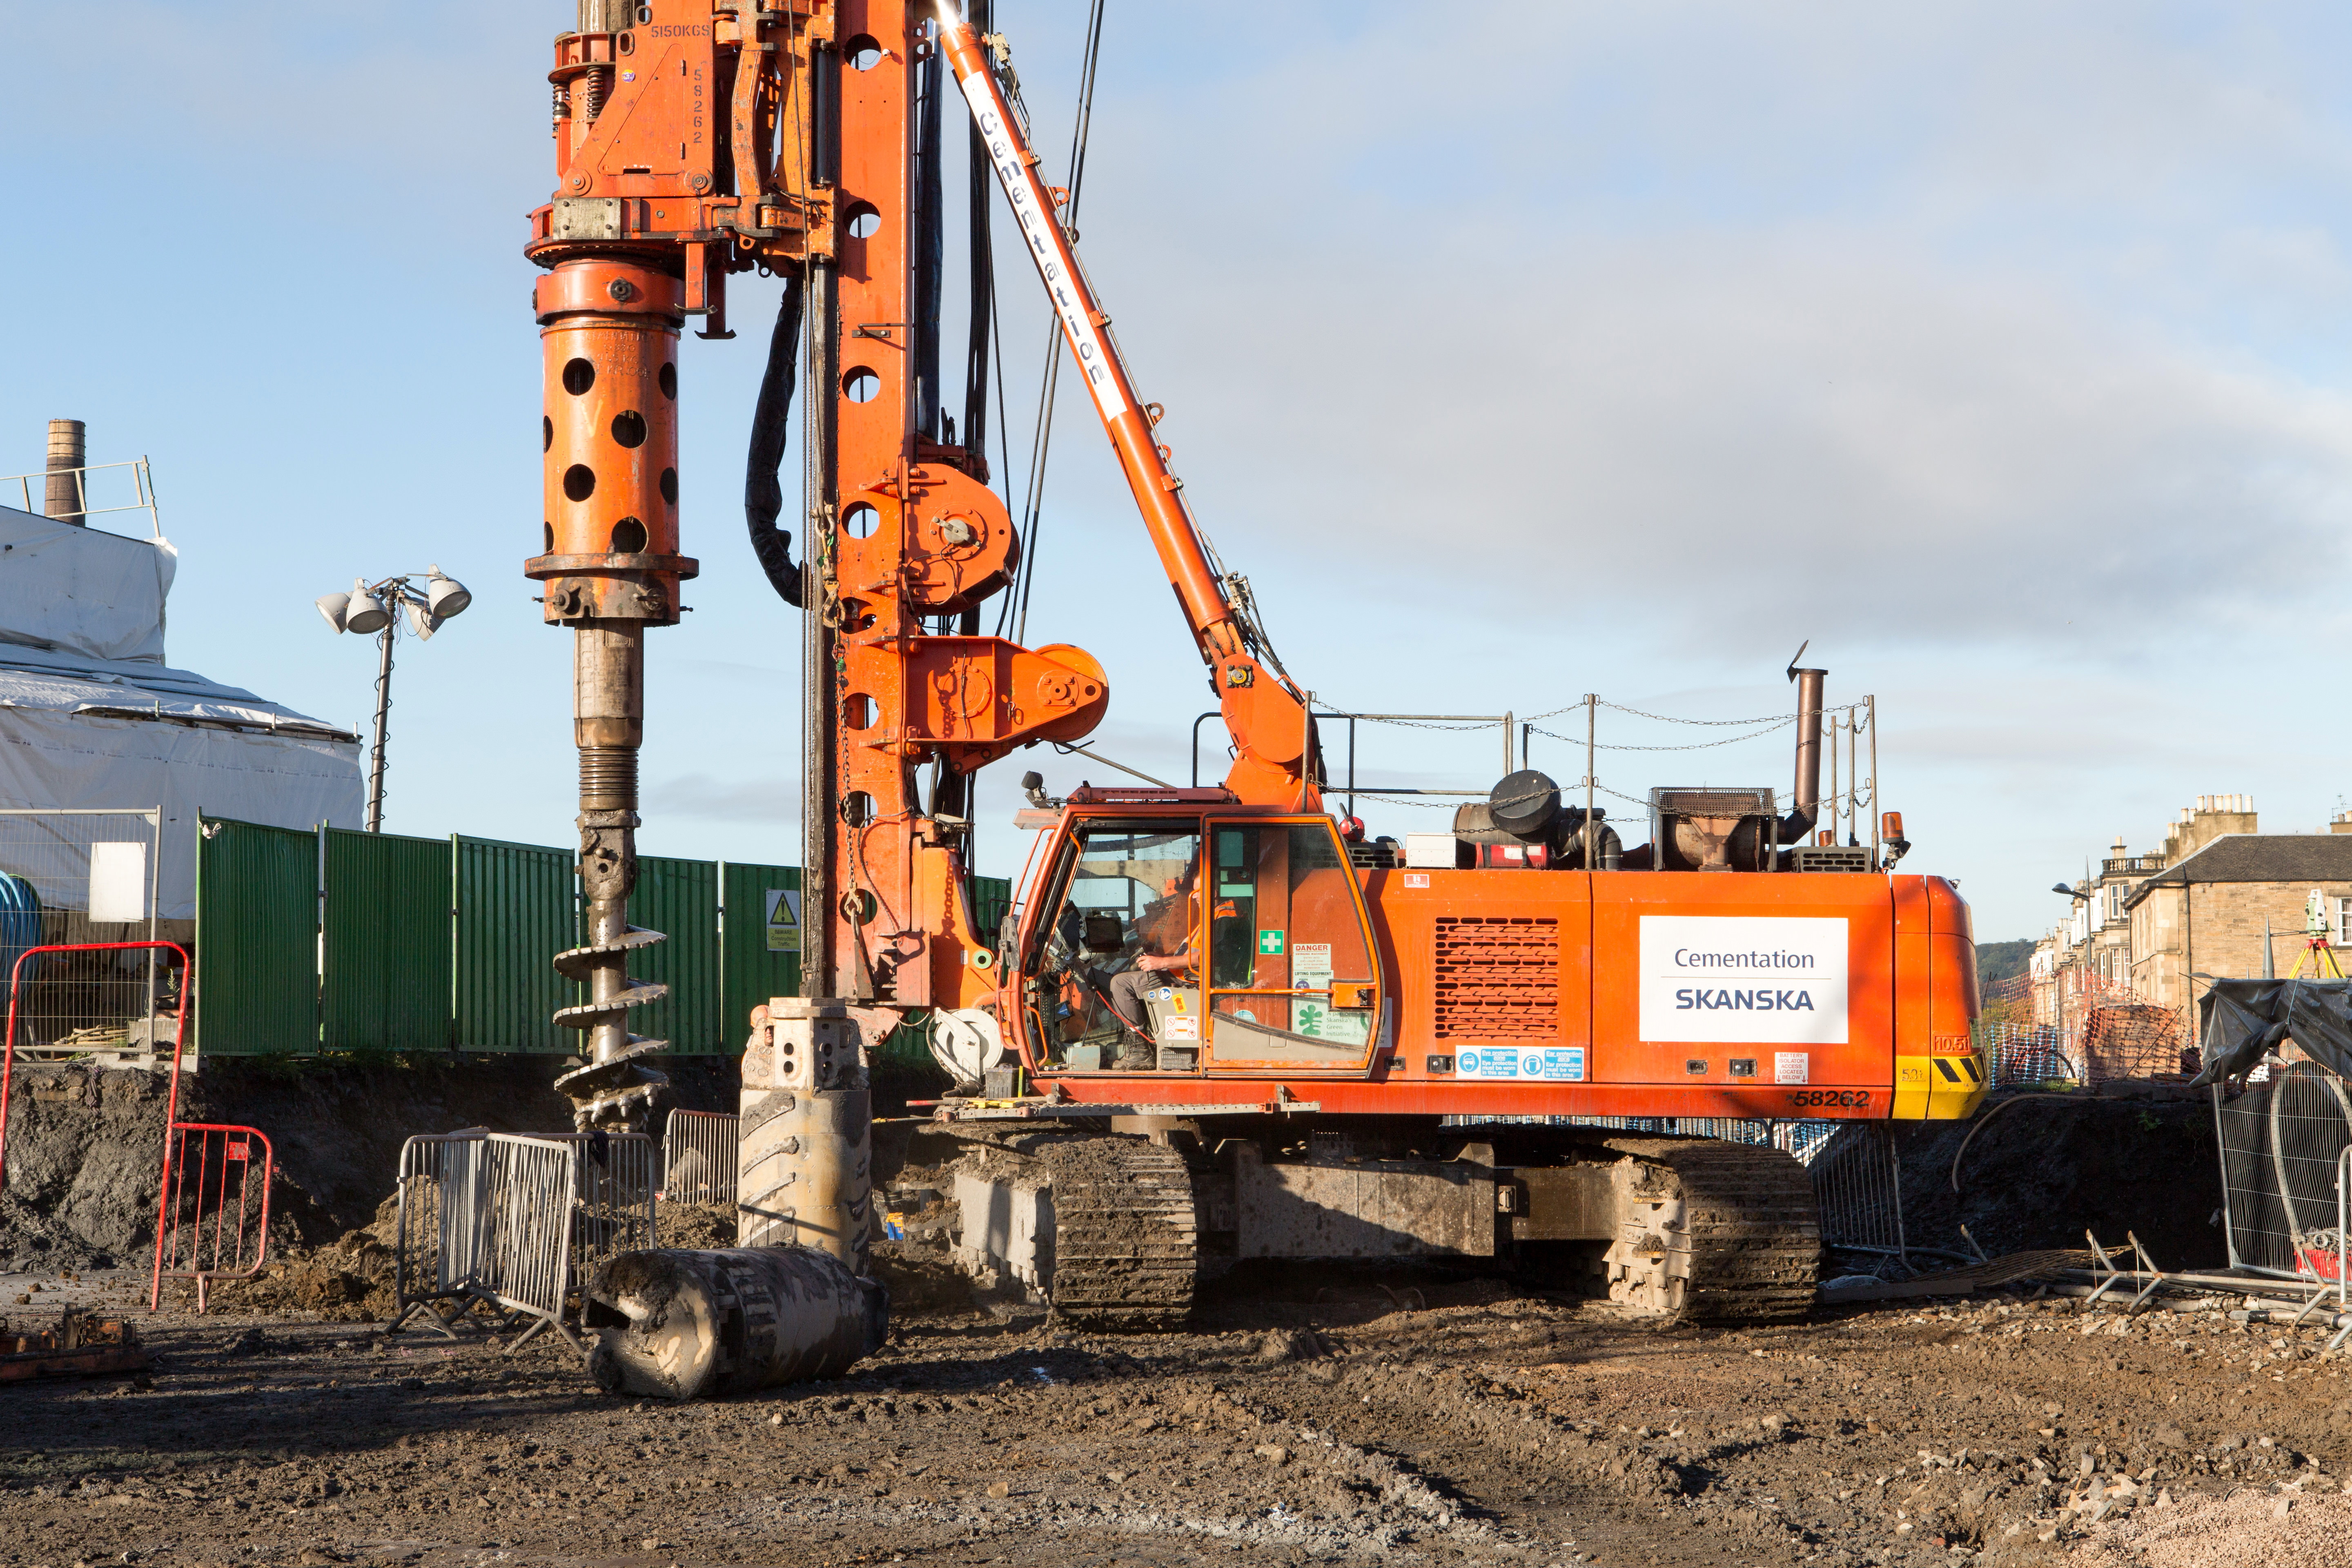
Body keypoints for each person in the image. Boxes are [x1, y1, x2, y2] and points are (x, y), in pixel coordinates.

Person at [1105, 860, 1196, 1070]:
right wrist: (1160, 959)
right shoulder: (1211, 917)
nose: (1195, 896)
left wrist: (1162, 962)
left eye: (1198, 891)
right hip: (1176, 974)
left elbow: (1203, 959)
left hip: (1184, 982)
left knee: (1120, 984)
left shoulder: (1219, 918)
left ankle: (1139, 1052)